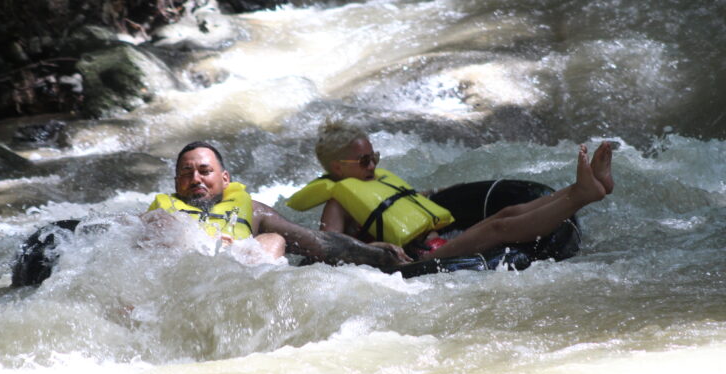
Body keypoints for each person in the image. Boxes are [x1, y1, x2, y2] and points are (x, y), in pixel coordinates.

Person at [287, 121, 614, 261]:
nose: (372, 164)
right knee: (500, 227)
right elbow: (330, 247)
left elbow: (406, 203)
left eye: (375, 156)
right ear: (338, 168)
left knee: (506, 212)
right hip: (414, 258)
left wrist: (429, 195)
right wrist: (374, 248)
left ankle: (579, 188)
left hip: (436, 241)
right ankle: (584, 194)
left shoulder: (374, 180)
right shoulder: (337, 202)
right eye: (364, 160)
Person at [142, 141, 412, 267]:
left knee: (273, 239)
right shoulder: (163, 212)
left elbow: (312, 241)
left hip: (236, 277)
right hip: (177, 276)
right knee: (160, 222)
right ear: (176, 182)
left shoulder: (254, 210)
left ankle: (255, 288)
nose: (196, 179)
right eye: (187, 174)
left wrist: (369, 252)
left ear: (225, 178)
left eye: (205, 171)